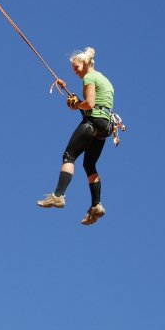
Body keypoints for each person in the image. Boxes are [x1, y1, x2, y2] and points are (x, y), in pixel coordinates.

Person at [37, 47, 115, 225]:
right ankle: (96, 205)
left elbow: (89, 104)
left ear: (85, 64)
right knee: (89, 164)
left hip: (94, 122)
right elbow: (97, 106)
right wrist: (74, 98)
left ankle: (58, 195)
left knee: (69, 156)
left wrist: (76, 105)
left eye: (76, 67)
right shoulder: (104, 79)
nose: (75, 72)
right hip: (105, 126)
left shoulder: (89, 77)